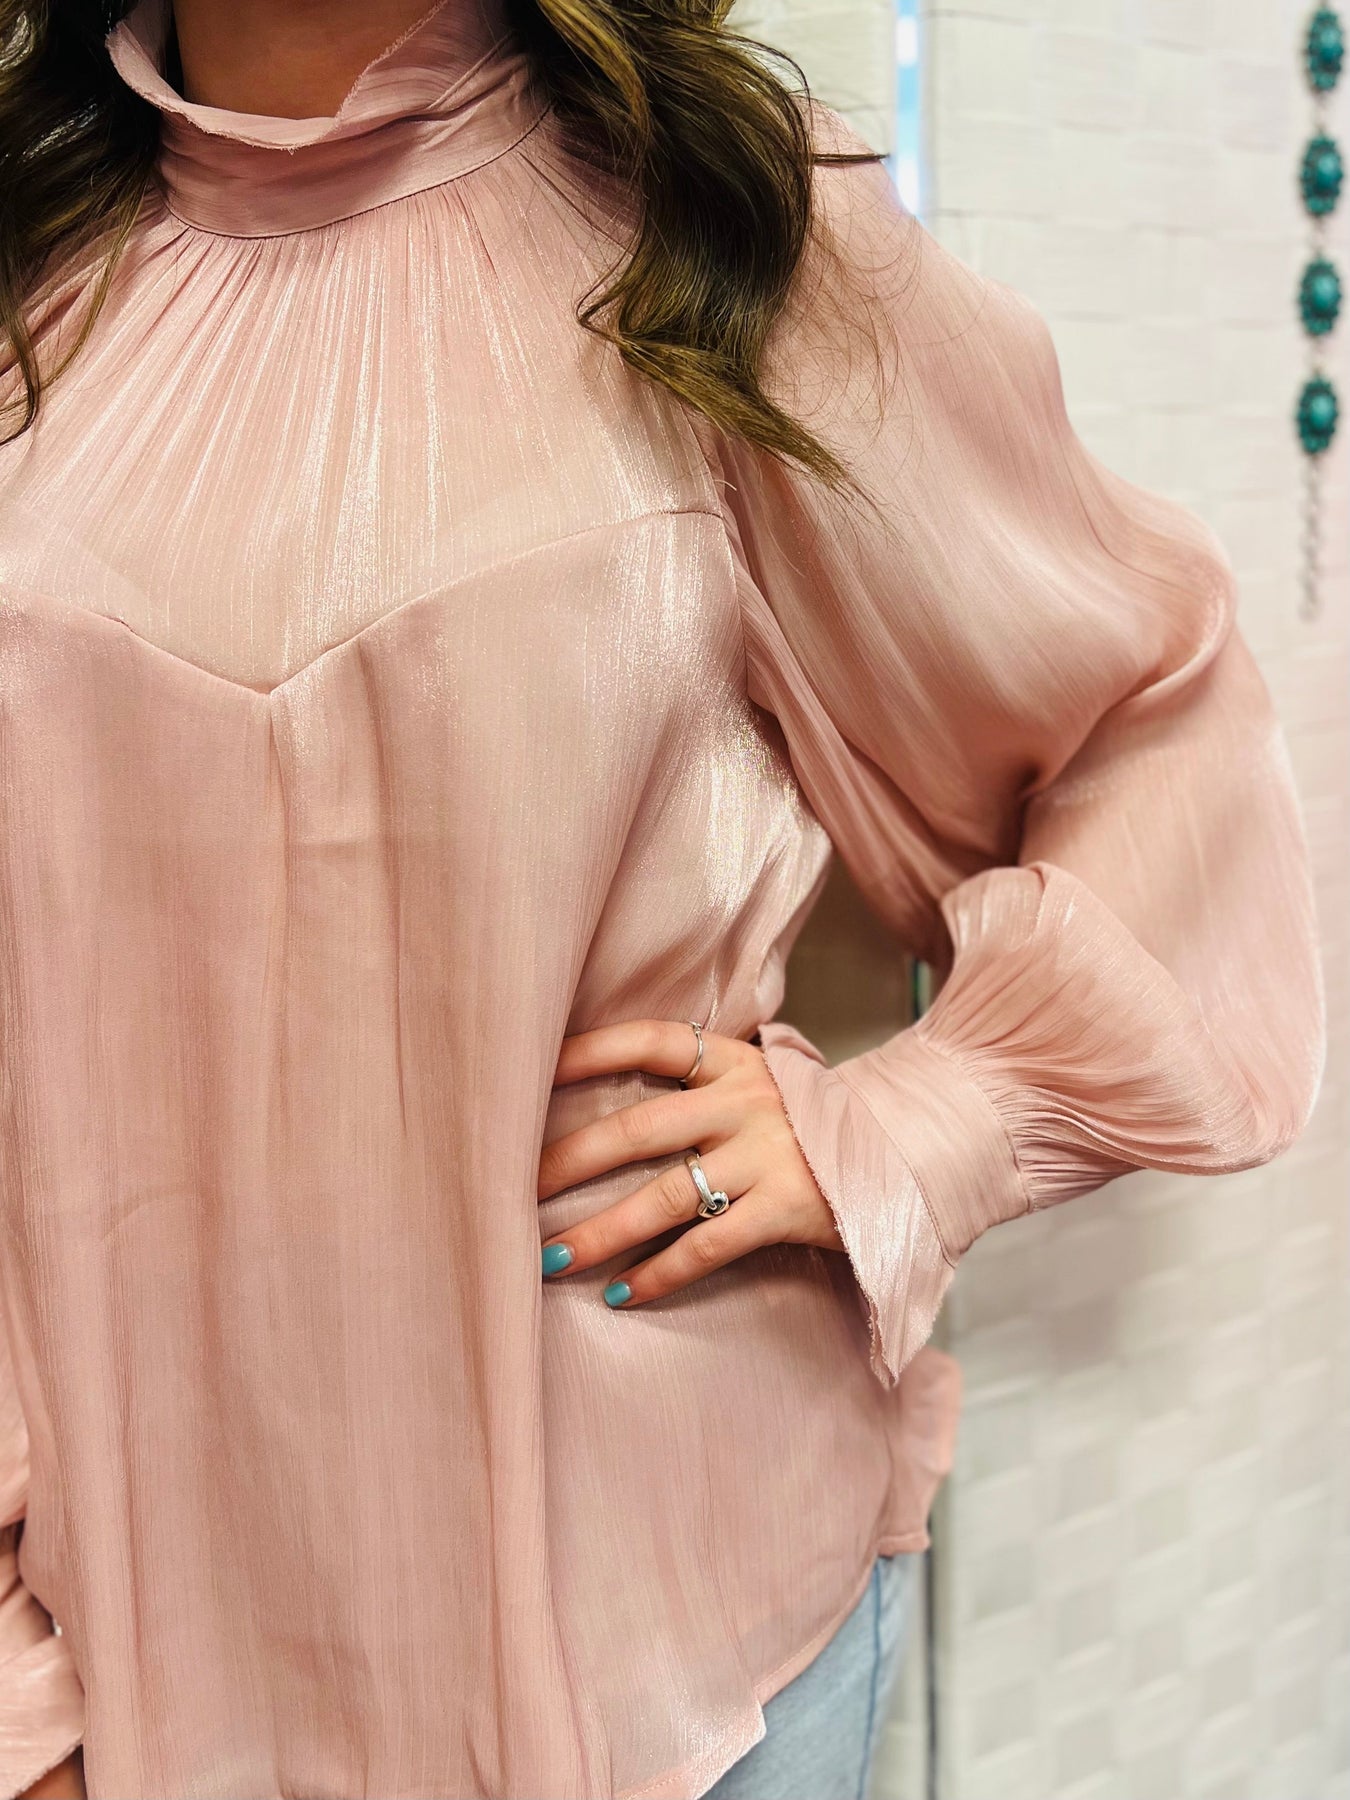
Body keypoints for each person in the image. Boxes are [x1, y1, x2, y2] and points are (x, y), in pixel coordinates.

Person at [0, 0, 1325, 1794]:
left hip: (682, 1634)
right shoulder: (32, 257)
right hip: (118, 1642)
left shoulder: (721, 227)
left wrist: (934, 1118)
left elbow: (1143, 717)